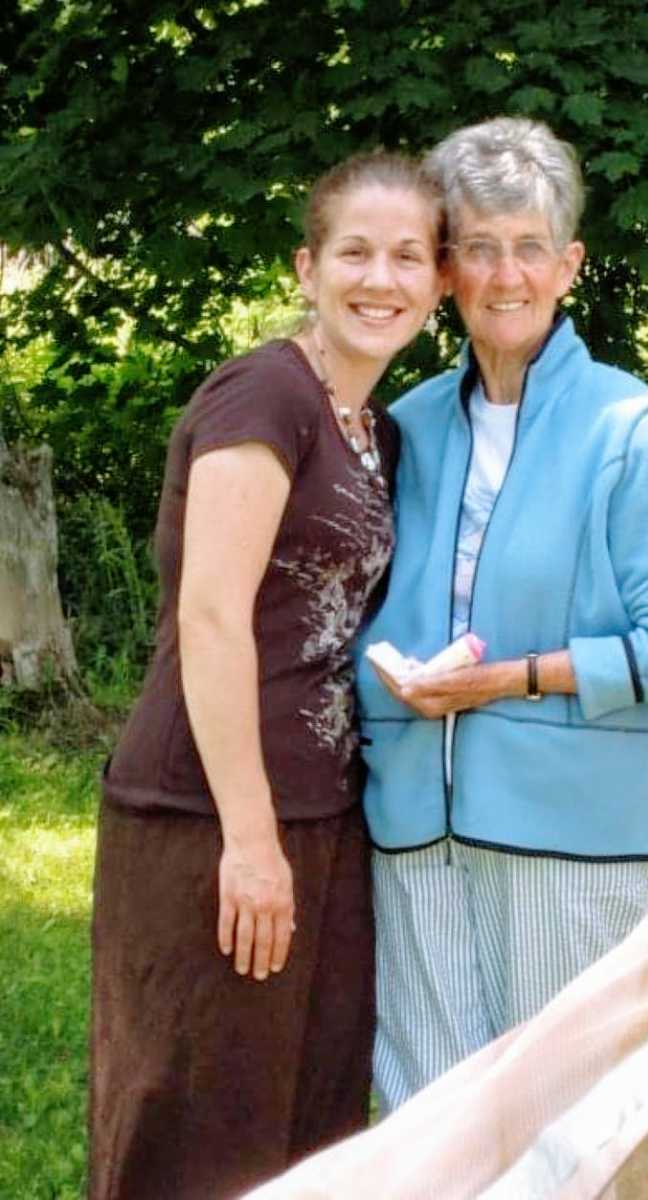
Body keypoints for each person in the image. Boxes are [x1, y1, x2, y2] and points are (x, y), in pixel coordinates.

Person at [355, 117, 648, 1113]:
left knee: (565, 1120)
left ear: (569, 265)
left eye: (529, 246)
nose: (506, 273)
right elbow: (349, 614)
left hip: (569, 839)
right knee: (429, 1118)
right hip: (409, 834)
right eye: (479, 247)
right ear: (447, 272)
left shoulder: (627, 429)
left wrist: (514, 679)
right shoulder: (407, 426)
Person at [89, 151, 444, 1199]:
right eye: (356, 252)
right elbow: (211, 613)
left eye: (408, 256)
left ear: (437, 280)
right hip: (209, 809)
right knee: (201, 1120)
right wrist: (248, 841)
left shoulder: (374, 427)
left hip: (324, 812)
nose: (380, 279)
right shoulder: (264, 393)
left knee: (308, 1121)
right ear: (307, 267)